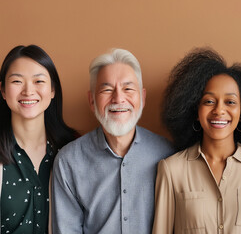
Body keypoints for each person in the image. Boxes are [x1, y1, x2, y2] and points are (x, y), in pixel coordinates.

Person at [152, 48, 241, 233]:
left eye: (230, 102)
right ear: (195, 110)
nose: (219, 110)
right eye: (209, 101)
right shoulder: (171, 171)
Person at [51, 48, 174, 234]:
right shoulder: (68, 161)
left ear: (142, 98)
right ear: (91, 101)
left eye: (128, 89)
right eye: (107, 89)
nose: (118, 98)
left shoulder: (168, 154)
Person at [0, 45, 78, 234]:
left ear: (52, 90)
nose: (28, 91)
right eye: (17, 81)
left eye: (39, 81)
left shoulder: (73, 150)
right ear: (2, 90)